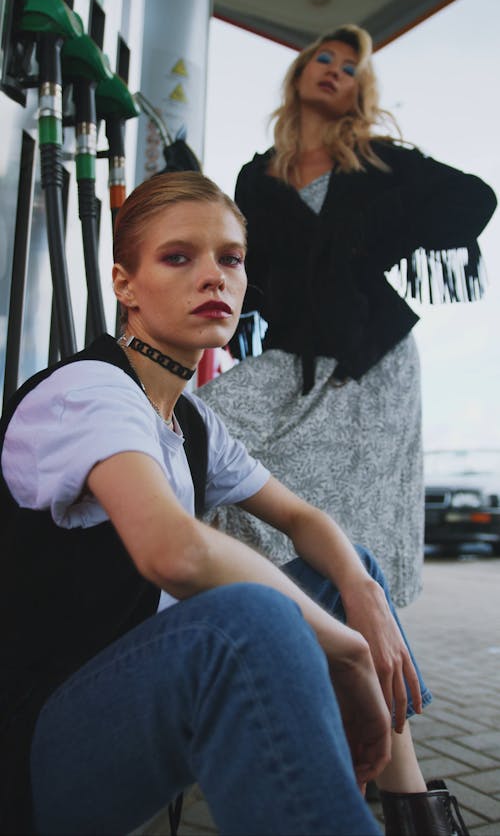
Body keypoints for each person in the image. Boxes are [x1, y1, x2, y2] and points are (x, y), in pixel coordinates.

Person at [0, 172, 469, 836]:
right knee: (244, 621)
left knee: (344, 568)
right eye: (178, 257)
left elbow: (305, 521)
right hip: (36, 753)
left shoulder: (191, 422)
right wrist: (347, 650)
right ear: (124, 285)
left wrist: (359, 588)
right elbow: (175, 551)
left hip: (131, 703)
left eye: (231, 258)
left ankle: (415, 812)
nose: (214, 277)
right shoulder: (87, 392)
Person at [198, 24, 497, 607]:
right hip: (294, 355)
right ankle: (263, 602)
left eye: (350, 68)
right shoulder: (256, 176)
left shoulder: (377, 161)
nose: (335, 69)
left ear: (358, 92)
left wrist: (378, 238)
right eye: (325, 58)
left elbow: (475, 198)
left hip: (372, 360)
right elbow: (247, 269)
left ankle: (353, 641)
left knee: (357, 515)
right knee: (204, 425)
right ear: (301, 72)